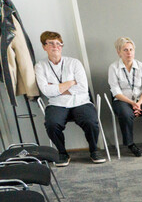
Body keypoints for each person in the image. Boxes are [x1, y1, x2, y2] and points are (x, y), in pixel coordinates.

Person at [34, 31, 105, 166]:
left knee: (91, 121)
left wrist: (56, 88)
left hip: (80, 101)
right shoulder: (40, 66)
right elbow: (46, 91)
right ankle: (62, 153)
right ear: (44, 46)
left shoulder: (74, 63)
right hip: (57, 104)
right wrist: (71, 82)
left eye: (59, 43)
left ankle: (94, 150)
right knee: (52, 124)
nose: (56, 46)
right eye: (51, 43)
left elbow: (83, 88)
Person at [107, 37, 142, 157]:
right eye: (125, 50)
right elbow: (115, 91)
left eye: (131, 49)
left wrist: (138, 103)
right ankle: (130, 144)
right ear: (119, 52)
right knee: (125, 115)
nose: (129, 53)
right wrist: (132, 103)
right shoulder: (113, 68)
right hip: (122, 99)